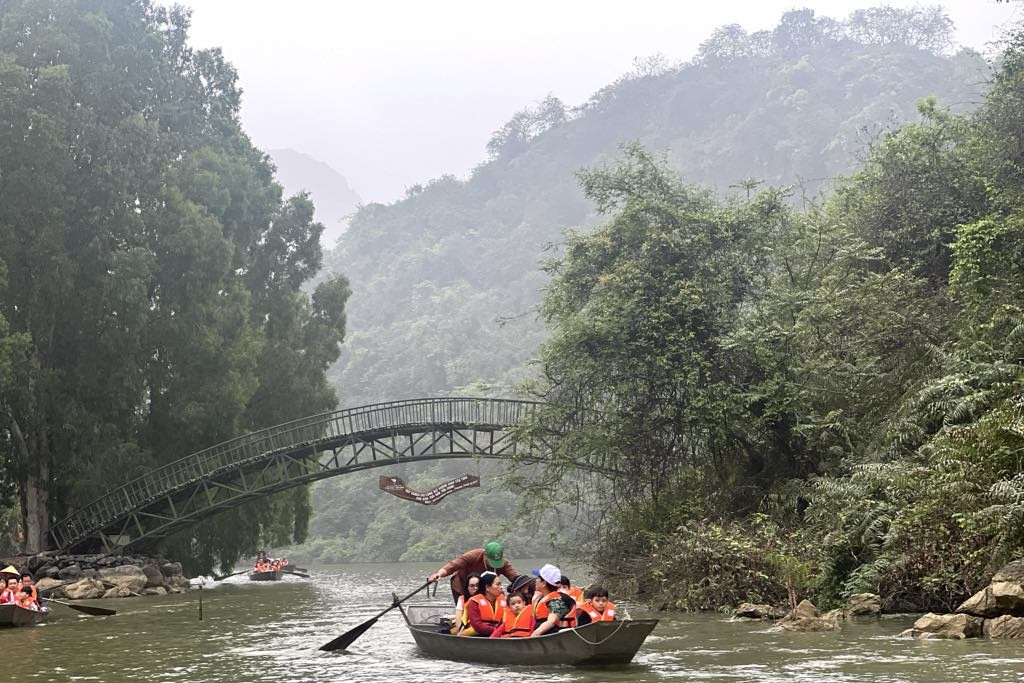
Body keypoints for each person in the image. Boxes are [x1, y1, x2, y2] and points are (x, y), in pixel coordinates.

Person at [428, 541, 519, 603]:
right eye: (491, 561)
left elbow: (515, 578)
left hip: (483, 588)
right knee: (467, 610)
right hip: (462, 586)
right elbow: (452, 565)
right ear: (485, 555)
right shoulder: (474, 555)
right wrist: (439, 574)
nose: (494, 565)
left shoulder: (503, 563)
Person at [461, 571, 506, 637]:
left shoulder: (505, 600)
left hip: (499, 633)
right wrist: (497, 631)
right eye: (498, 584)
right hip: (479, 635)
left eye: (500, 584)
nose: (501, 587)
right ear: (487, 587)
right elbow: (477, 625)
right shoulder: (475, 602)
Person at [529, 564, 569, 637]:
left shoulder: (556, 600)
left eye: (538, 577)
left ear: (544, 583)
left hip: (551, 638)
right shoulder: (541, 597)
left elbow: (552, 621)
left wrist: (535, 634)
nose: (535, 580)